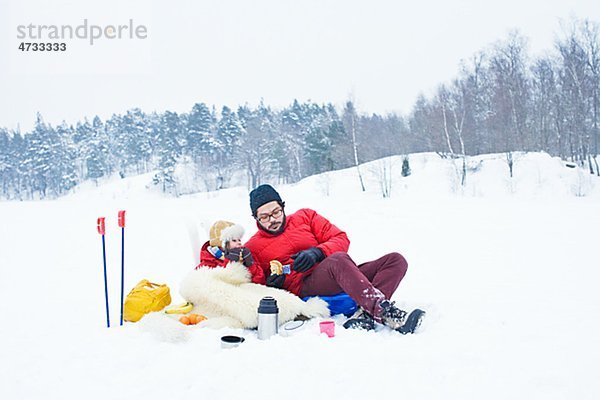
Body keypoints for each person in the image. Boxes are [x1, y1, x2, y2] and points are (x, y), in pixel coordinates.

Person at [244, 184, 424, 333]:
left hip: (338, 271)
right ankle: (385, 312)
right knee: (338, 260)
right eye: (264, 217)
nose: (272, 219)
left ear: (283, 206)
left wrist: (317, 253)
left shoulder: (305, 216)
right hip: (305, 287)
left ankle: (364, 316)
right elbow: (254, 286)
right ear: (256, 219)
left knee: (395, 260)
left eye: (276, 212)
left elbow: (341, 238)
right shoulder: (253, 247)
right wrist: (273, 284)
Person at [196, 220, 265, 285]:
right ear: (223, 243)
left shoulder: (243, 256)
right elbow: (212, 285)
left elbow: (260, 282)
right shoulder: (208, 262)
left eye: (239, 240)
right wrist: (229, 262)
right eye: (234, 240)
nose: (239, 243)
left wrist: (251, 265)